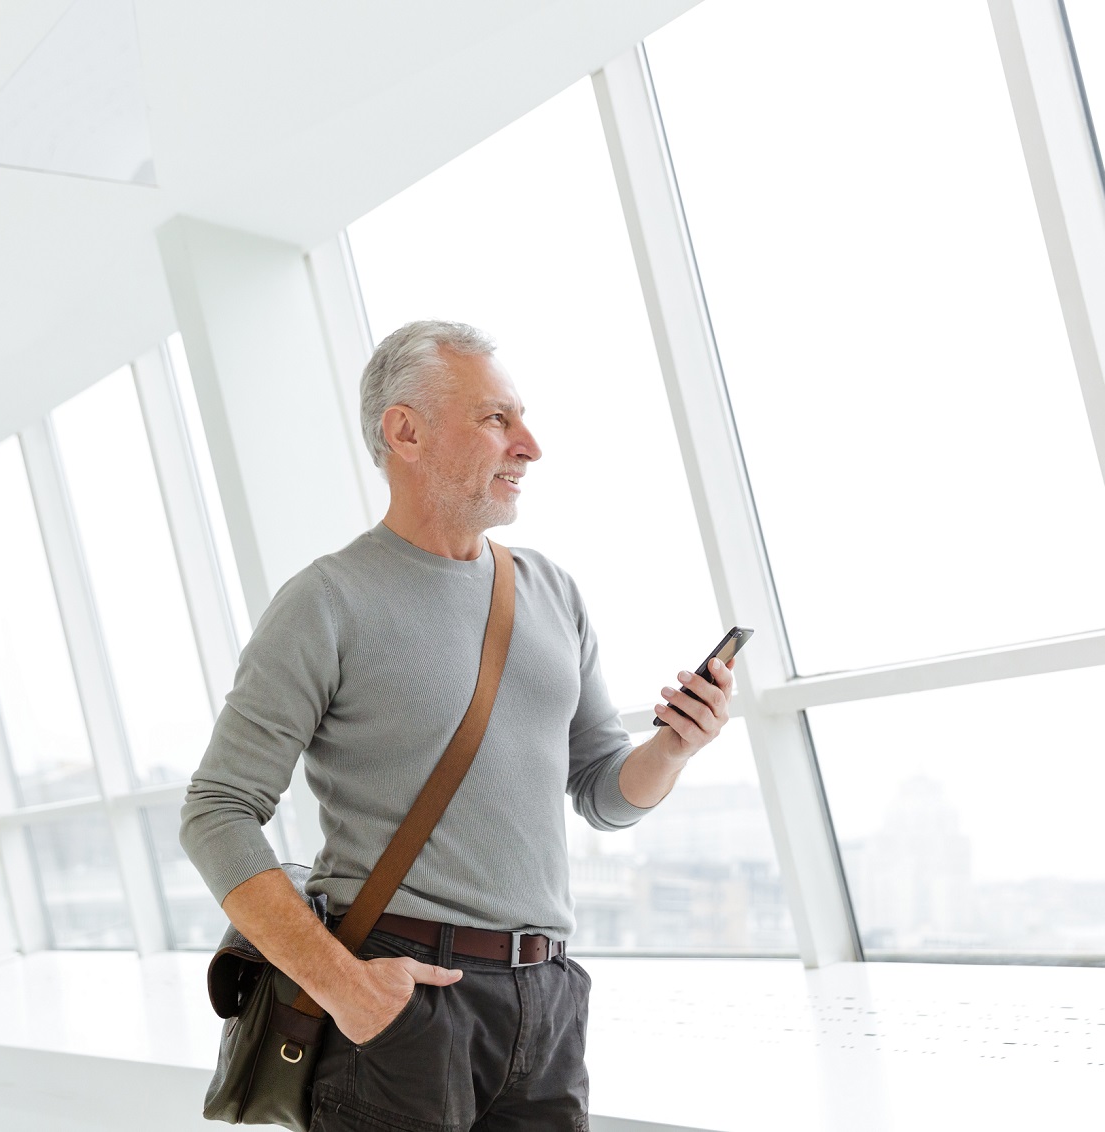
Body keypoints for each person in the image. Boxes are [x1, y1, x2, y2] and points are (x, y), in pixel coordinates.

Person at [179, 319, 735, 1130]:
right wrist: (347, 989)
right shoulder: (327, 602)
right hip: (402, 1001)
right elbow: (216, 811)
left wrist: (675, 746)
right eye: (496, 419)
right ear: (405, 431)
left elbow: (603, 793)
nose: (530, 446)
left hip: (546, 1001)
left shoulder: (551, 592)